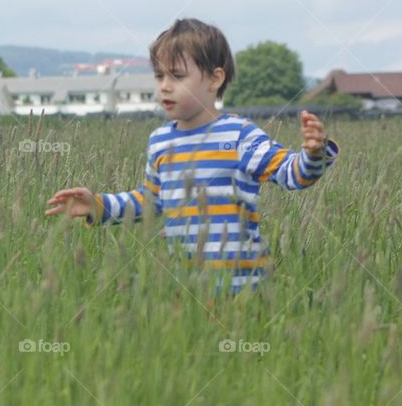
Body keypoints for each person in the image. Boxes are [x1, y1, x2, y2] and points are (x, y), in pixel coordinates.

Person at [44, 18, 340, 293]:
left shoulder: (239, 135)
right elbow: (152, 201)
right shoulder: (161, 141)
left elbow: (292, 175)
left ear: (214, 79)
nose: (165, 86)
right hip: (186, 288)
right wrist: (98, 205)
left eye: (178, 76)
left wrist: (313, 154)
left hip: (243, 291)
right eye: (159, 76)